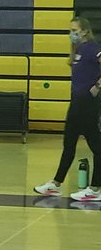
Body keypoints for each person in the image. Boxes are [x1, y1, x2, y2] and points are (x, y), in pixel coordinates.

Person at [34, 17, 101, 201]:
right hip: (77, 103)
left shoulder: (93, 48)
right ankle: (56, 184)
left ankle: (94, 189)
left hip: (87, 104)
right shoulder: (79, 50)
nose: (71, 34)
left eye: (74, 30)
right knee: (69, 144)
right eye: (70, 31)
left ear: (85, 31)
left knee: (96, 146)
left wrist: (96, 87)